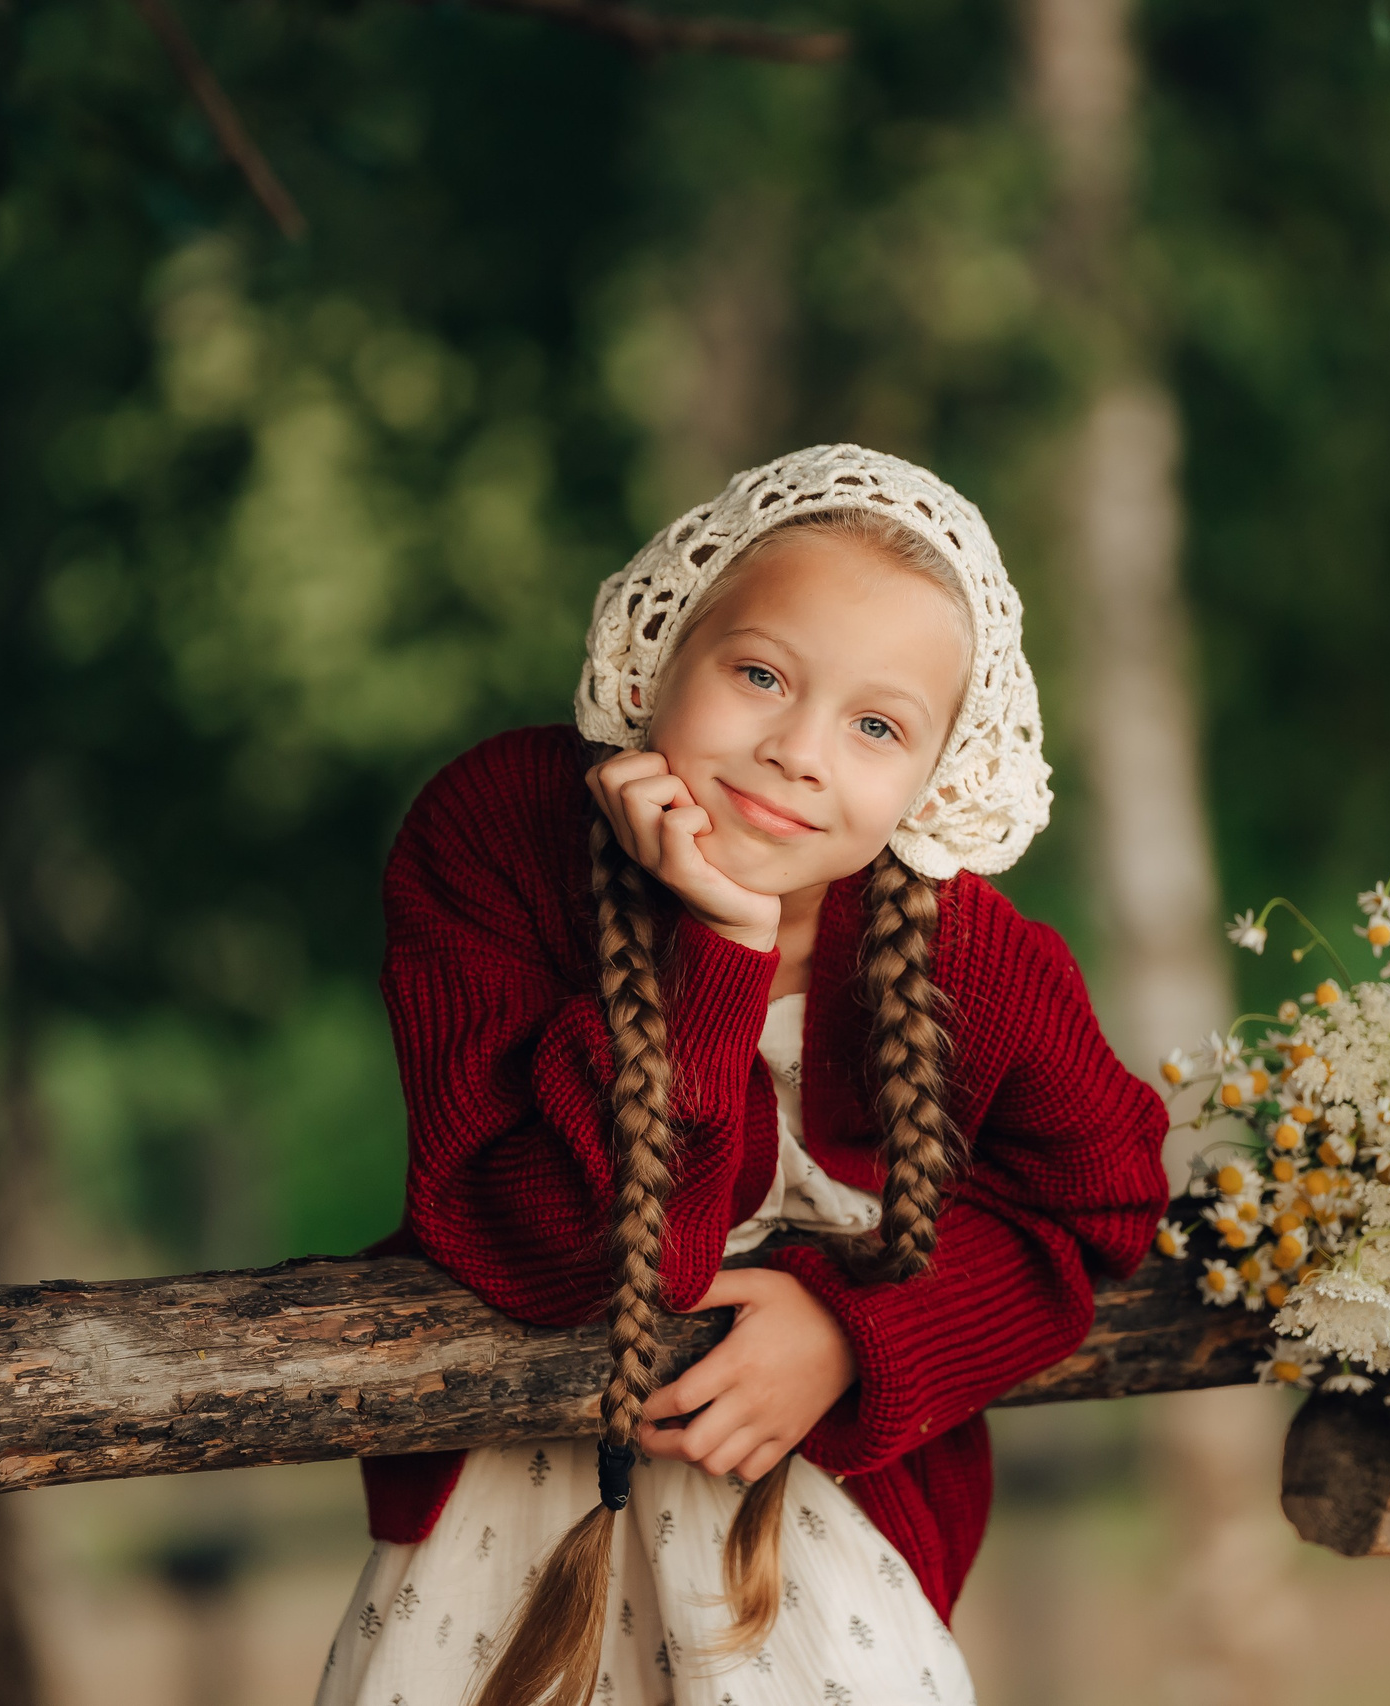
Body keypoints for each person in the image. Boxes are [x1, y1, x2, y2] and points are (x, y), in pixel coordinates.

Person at [316, 445, 1168, 1706]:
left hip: (822, 1537)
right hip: (501, 1522)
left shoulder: (969, 958)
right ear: (666, 651)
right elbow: (547, 1250)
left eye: (876, 725)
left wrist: (851, 1334)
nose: (797, 752)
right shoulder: (496, 833)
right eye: (761, 673)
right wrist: (713, 943)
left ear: (935, 773)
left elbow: (1102, 1204)